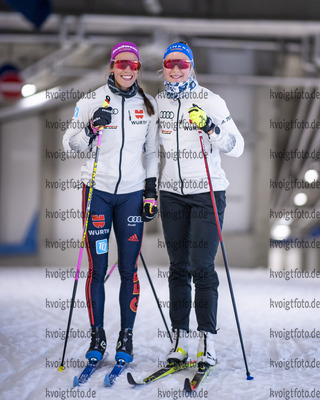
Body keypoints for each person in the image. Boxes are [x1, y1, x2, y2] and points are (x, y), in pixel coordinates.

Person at [63, 42, 159, 365]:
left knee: (130, 270)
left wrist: (151, 191)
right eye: (122, 63)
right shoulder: (91, 101)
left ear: (138, 70)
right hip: (98, 194)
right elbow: (69, 145)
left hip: (132, 197)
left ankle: (125, 337)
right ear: (112, 65)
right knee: (98, 268)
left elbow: (151, 153)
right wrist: (92, 128)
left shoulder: (148, 106)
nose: (128, 69)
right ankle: (97, 335)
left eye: (134, 65)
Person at [156, 42, 244, 367]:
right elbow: (152, 149)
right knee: (178, 267)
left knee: (202, 266)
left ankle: (206, 340)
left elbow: (237, 146)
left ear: (191, 66)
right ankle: (179, 338)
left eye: (182, 63)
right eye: (170, 63)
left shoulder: (211, 100)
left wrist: (211, 127)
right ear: (164, 67)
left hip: (208, 192)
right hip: (171, 194)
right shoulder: (160, 102)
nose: (176, 69)